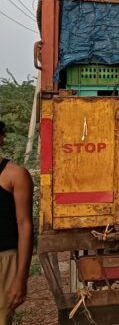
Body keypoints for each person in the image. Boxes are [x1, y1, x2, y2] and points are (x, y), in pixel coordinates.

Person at [0, 121, 32, 325]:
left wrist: (21, 278)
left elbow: (25, 225)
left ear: (1, 138)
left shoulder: (15, 175)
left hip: (4, 261)